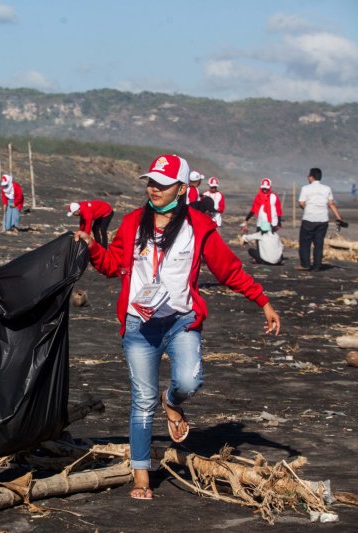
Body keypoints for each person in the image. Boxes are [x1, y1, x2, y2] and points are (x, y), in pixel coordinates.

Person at [76, 154, 280, 500]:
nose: (153, 188)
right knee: (141, 401)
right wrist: (96, 247)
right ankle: (141, 474)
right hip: (139, 326)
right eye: (150, 182)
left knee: (189, 380)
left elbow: (228, 270)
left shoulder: (199, 227)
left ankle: (172, 401)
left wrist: (263, 301)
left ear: (182, 188)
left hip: (182, 323)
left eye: (162, 183)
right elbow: (112, 266)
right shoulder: (132, 223)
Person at [298, 168, 344, 271]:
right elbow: (331, 203)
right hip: (323, 219)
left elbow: (301, 203)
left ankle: (305, 264)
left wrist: (308, 209)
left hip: (309, 218)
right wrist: (338, 217)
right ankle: (317, 265)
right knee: (318, 243)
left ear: (311, 177)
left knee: (305, 242)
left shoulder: (305, 188)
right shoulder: (327, 188)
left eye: (309, 176)